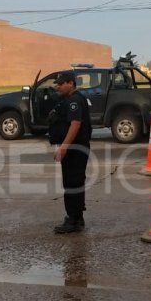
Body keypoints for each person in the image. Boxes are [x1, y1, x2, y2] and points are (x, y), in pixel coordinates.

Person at [50, 71, 92, 233]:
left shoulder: (74, 100)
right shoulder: (73, 98)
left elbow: (75, 124)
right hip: (76, 148)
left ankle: (73, 221)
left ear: (71, 83)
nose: (58, 87)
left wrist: (63, 147)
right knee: (75, 183)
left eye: (61, 84)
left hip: (75, 150)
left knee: (72, 183)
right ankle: (77, 217)